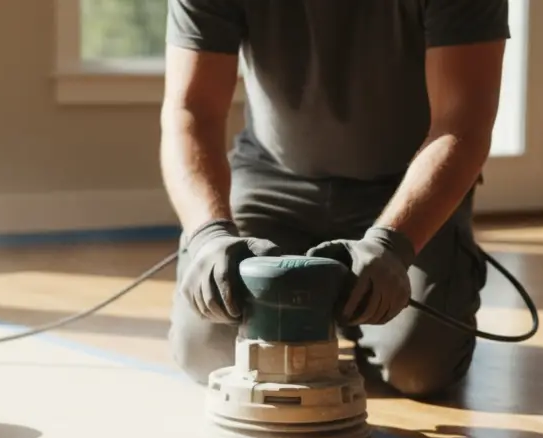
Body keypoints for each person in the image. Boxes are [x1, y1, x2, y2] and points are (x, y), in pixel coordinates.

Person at [161, 0, 508, 398]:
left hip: (404, 191)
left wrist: (392, 244)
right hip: (271, 182)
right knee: (208, 352)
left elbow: (462, 123)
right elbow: (191, 111)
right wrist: (209, 233)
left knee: (418, 366)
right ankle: (333, 301)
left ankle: (360, 291)